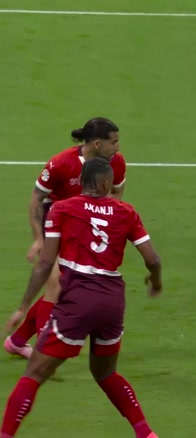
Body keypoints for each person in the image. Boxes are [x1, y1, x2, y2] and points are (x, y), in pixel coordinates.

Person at [1, 157, 161, 438]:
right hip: (112, 303)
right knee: (106, 373)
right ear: (107, 183)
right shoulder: (126, 211)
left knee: (34, 374)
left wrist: (23, 306)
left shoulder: (62, 208)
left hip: (77, 302)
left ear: (82, 182)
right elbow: (153, 260)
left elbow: (45, 263)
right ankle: (146, 433)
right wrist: (155, 282)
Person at [4, 117, 127, 360]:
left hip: (82, 229)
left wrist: (105, 222)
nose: (117, 147)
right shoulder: (61, 163)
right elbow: (36, 199)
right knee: (56, 285)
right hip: (55, 223)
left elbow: (117, 193)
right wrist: (38, 239)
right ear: (96, 144)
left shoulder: (116, 162)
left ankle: (17, 341)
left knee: (66, 288)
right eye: (113, 142)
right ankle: (42, 354)